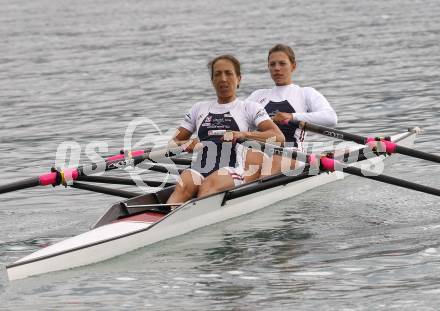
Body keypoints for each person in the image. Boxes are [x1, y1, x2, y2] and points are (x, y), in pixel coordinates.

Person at [166, 55, 285, 204]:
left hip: (234, 168)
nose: (223, 79)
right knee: (183, 186)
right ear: (212, 80)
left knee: (208, 186)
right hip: (201, 167)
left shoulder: (249, 108)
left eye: (228, 73)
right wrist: (185, 144)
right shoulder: (198, 109)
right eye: (218, 74)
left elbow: (278, 137)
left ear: (238, 78)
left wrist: (243, 134)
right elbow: (172, 143)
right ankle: (163, 220)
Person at [246, 44, 338, 176]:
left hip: (292, 154)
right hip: (260, 153)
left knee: (275, 161)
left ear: (293, 66)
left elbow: (331, 118)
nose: (277, 68)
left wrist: (292, 116)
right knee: (249, 158)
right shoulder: (258, 95)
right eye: (272, 64)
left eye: (282, 63)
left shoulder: (305, 93)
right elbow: (239, 120)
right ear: (268, 68)